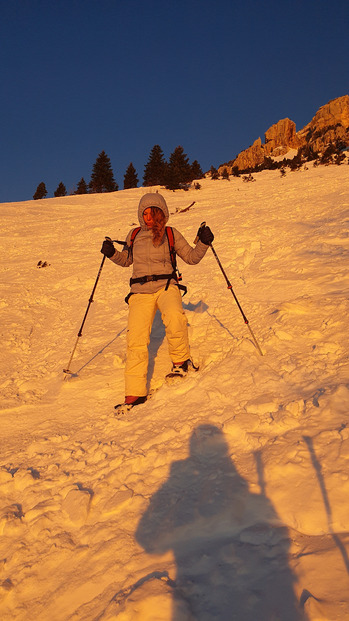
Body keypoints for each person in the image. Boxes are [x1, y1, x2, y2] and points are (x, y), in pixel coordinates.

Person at [100, 192, 214, 411]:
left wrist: (204, 242)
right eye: (145, 213)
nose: (149, 217)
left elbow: (191, 257)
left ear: (162, 213)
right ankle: (135, 393)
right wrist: (112, 253)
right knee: (136, 338)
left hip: (166, 286)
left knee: (174, 317)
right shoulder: (133, 235)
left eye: (154, 212)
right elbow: (126, 260)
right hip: (140, 291)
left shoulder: (170, 233)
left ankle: (181, 362)